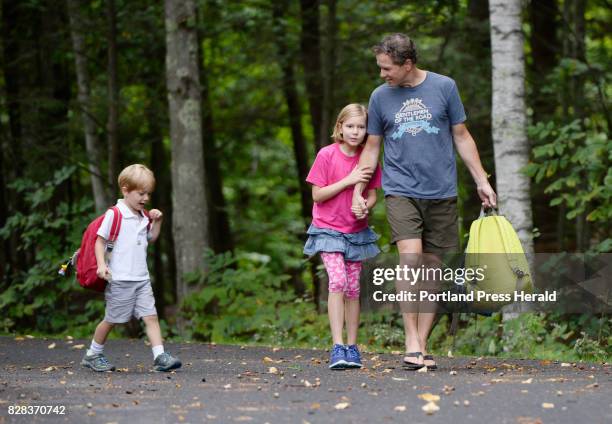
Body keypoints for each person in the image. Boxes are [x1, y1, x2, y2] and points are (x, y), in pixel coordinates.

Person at [352, 34, 497, 370]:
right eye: (380, 68)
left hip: (442, 192)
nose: (382, 74)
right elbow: (372, 147)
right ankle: (411, 341)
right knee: (410, 259)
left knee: (433, 268)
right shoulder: (379, 97)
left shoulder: (444, 87)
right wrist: (358, 190)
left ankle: (422, 345)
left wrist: (482, 181)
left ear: (407, 63)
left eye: (387, 68)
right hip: (401, 189)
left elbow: (461, 136)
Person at [81, 164, 182, 372]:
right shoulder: (115, 214)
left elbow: (151, 238)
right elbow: (99, 241)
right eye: (141, 193)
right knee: (112, 320)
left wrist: (158, 221)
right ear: (125, 189)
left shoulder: (143, 217)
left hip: (141, 279)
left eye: (148, 194)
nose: (145, 198)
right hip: (119, 279)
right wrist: (101, 265)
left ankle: (160, 356)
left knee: (151, 316)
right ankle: (93, 354)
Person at [304, 104, 382, 370]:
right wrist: (349, 181)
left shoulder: (368, 157)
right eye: (350, 126)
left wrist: (365, 205)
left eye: (361, 127)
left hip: (355, 232)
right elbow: (317, 195)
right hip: (328, 228)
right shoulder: (327, 154)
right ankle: (337, 346)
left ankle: (352, 346)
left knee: (353, 288)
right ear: (339, 127)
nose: (355, 132)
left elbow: (372, 194)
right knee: (337, 281)